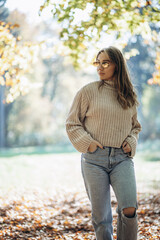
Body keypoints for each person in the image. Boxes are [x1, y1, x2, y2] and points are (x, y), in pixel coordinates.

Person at [65, 46, 142, 240]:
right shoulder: (88, 91)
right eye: (97, 63)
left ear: (117, 65)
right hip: (94, 160)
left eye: (105, 63)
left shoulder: (129, 95)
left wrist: (131, 141)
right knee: (102, 217)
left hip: (121, 159)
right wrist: (88, 143)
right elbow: (72, 123)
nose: (99, 67)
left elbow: (135, 127)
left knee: (130, 209)